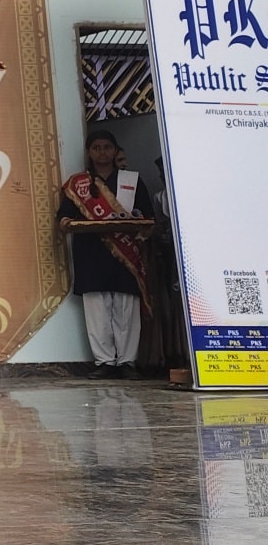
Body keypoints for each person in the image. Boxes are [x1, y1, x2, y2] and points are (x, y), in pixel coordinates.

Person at [57, 130, 157, 378]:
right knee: (97, 309)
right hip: (91, 252)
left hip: (126, 255)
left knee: (126, 309)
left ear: (115, 150)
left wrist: (137, 220)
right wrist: (67, 222)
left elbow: (148, 215)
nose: (102, 152)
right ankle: (104, 363)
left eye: (107, 147)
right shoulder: (77, 183)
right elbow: (64, 217)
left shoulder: (131, 180)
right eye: (97, 148)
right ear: (89, 152)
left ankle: (127, 362)